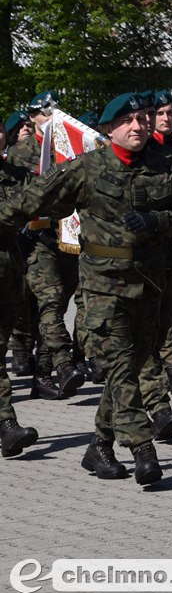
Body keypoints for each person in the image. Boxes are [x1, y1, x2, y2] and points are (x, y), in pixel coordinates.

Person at [0, 92, 172, 485]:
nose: (139, 126)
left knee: (126, 370)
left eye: (144, 119)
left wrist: (159, 221)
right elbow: (31, 200)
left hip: (149, 286)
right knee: (122, 370)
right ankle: (143, 448)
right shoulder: (87, 167)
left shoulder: (165, 167)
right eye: (129, 121)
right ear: (110, 129)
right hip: (103, 286)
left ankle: (99, 446)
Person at [5, 90, 86, 400]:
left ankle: (42, 375)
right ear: (34, 116)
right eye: (46, 112)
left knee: (58, 304)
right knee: (50, 302)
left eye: (55, 111)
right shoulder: (21, 152)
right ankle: (64, 364)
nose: (51, 116)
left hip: (66, 236)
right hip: (36, 237)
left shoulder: (65, 148)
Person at [0, 135, 39, 459]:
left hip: (9, 276)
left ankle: (7, 428)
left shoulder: (17, 175)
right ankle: (7, 424)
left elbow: (41, 203)